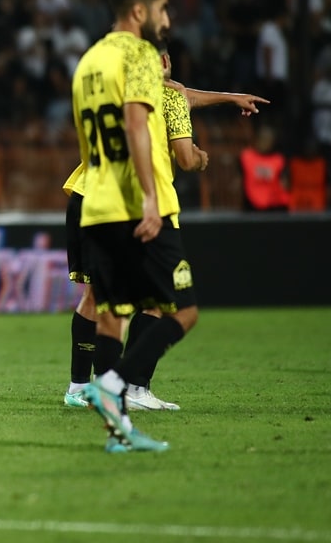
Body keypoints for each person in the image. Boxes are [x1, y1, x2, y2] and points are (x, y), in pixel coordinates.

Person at [62, 48, 267, 411]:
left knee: (98, 296)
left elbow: (185, 96)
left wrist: (229, 97)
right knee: (161, 299)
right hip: (136, 204)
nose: (168, 58)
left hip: (89, 196)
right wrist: (200, 158)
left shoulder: (114, 92)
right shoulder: (170, 98)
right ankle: (131, 387)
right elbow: (185, 153)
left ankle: (82, 387)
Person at [70, 0, 198, 453]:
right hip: (140, 204)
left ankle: (117, 432)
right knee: (183, 310)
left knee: (111, 315)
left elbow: (87, 141)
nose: (167, 19)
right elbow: (136, 124)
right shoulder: (141, 55)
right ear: (139, 11)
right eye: (162, 9)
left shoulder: (88, 62)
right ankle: (115, 385)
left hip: (96, 204)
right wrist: (148, 197)